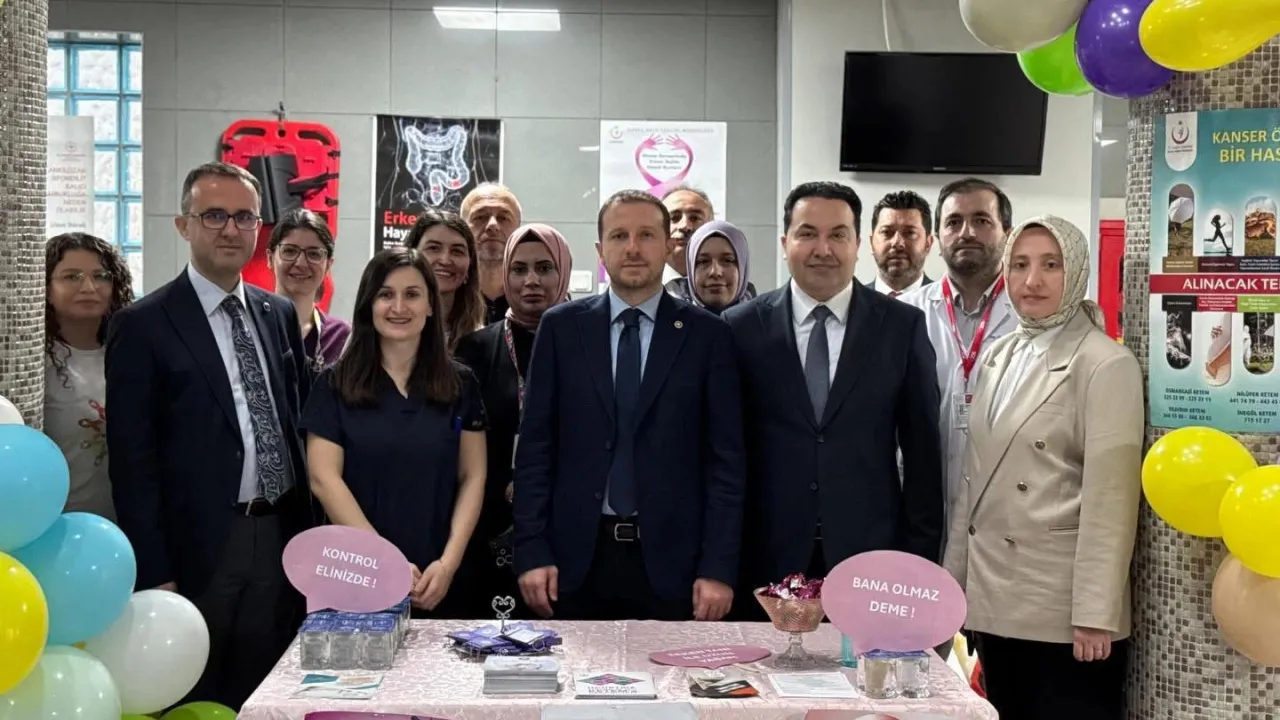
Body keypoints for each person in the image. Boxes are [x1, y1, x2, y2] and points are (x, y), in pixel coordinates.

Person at [106, 161, 313, 710]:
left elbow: (295, 422)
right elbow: (132, 461)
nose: (230, 229)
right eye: (214, 215)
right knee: (195, 691)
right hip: (195, 545)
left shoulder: (277, 313)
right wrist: (155, 571)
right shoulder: (143, 324)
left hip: (279, 535)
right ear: (184, 225)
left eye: (244, 217)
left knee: (269, 688)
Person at [513, 189, 745, 623]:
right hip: (572, 564)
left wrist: (717, 567)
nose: (633, 248)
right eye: (619, 236)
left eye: (646, 235)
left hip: (676, 567)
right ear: (600, 250)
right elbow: (534, 452)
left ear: (668, 246)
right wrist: (531, 551)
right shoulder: (562, 329)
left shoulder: (708, 336)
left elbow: (725, 463)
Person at [944, 215, 1142, 720]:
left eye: (1051, 265)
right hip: (996, 600)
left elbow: (1111, 499)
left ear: (1075, 272)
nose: (1032, 280)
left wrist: (1096, 613)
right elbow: (973, 483)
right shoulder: (999, 355)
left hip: (1063, 614)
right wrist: (954, 586)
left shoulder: (1104, 363)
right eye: (1020, 264)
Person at [724, 181, 943, 610]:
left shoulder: (902, 328)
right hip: (764, 557)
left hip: (872, 558)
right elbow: (726, 454)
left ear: (858, 244)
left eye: (838, 235)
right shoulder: (740, 327)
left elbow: (923, 457)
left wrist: (918, 565)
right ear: (785, 243)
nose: (822, 249)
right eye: (807, 233)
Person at [301, 247, 487, 616]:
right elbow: (323, 479)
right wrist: (384, 562)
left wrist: (448, 564)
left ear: (431, 305)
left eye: (412, 294)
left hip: (439, 578)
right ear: (368, 304)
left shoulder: (460, 384)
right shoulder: (334, 385)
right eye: (386, 294)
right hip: (357, 575)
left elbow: (473, 476)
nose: (399, 307)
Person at [454, 223, 574, 618]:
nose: (531, 281)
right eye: (519, 269)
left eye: (545, 268)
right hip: (489, 524)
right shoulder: (474, 349)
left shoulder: (586, 341)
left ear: (564, 271)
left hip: (568, 523)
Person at [899, 178, 1018, 546]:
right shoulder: (903, 315)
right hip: (918, 516)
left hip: (1008, 519)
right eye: (954, 222)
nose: (967, 232)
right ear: (936, 238)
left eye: (981, 220)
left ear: (1007, 233)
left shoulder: (1029, 317)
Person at [44, 232, 134, 521]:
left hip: (127, 524)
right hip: (56, 525)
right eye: (71, 277)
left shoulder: (133, 353)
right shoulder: (36, 366)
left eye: (101, 276)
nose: (88, 287)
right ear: (46, 288)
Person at [266, 209, 350, 372]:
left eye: (314, 254)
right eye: (290, 251)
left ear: (328, 265)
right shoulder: (250, 328)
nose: (301, 263)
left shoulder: (340, 337)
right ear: (270, 258)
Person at [404, 209, 485, 350]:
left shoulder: (482, 342)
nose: (445, 260)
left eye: (457, 251)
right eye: (433, 248)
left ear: (469, 267)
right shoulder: (384, 331)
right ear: (410, 256)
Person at [461, 183, 523, 324]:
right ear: (462, 229)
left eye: (503, 218)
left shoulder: (534, 299)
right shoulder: (446, 298)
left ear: (518, 230)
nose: (493, 225)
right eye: (480, 217)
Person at [866, 190, 934, 296]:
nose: (897, 243)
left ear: (928, 244)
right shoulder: (850, 302)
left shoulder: (948, 302)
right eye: (886, 232)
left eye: (910, 233)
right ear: (871, 242)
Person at [684, 220, 751, 314]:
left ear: (742, 269)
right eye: (703, 261)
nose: (715, 272)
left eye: (727, 260)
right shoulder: (673, 320)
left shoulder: (763, 320)